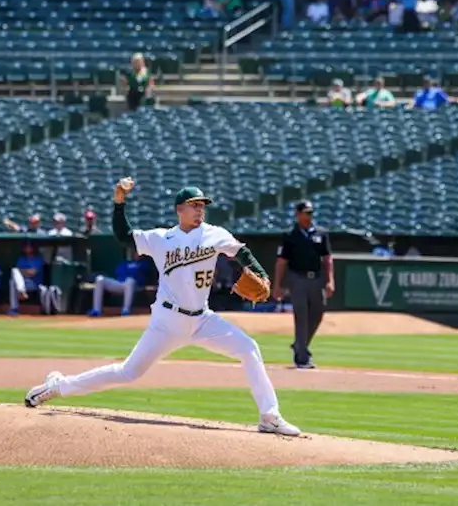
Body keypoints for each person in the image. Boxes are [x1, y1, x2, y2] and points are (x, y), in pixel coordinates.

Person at [24, 179, 300, 437]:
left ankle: (269, 416)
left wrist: (261, 274)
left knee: (249, 348)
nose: (199, 210)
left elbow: (243, 254)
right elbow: (124, 236)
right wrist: (119, 202)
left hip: (203, 319)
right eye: (194, 205)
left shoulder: (215, 234)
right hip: (167, 321)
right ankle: (58, 385)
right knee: (128, 372)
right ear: (179, 209)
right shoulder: (160, 239)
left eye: (202, 206)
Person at [272, 200, 334, 369]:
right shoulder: (290, 235)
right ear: (298, 214)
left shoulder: (321, 234)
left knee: (317, 314)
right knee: (301, 316)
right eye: (306, 213)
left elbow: (327, 258)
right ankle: (302, 358)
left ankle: (300, 345)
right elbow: (281, 261)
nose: (309, 216)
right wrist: (277, 285)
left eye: (311, 213)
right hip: (297, 278)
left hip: (317, 279)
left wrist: (330, 280)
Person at [9, 241, 51, 316]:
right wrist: (24, 272)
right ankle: (14, 308)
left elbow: (33, 273)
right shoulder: (22, 258)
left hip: (34, 283)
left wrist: (23, 272)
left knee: (15, 274)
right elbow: (19, 271)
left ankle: (21, 291)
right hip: (23, 282)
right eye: (26, 247)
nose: (27, 249)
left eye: (29, 247)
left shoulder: (38, 258)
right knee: (13, 277)